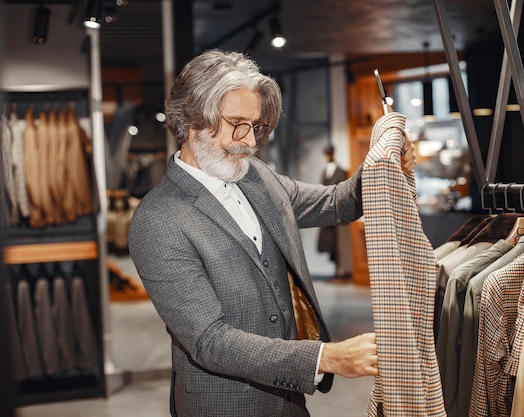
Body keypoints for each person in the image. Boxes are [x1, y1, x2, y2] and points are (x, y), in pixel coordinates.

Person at [127, 49, 416, 417]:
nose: (249, 142)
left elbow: (334, 202)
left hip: (289, 401)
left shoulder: (255, 176)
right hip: (223, 406)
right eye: (236, 124)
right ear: (192, 119)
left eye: (255, 126)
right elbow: (208, 341)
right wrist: (326, 357)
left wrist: (380, 164)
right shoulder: (158, 219)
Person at [317, 144, 348, 277]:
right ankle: (336, 271)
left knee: (339, 243)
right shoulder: (325, 171)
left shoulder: (341, 172)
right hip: (327, 211)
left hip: (339, 212)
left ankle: (341, 271)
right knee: (329, 242)